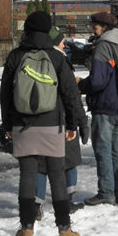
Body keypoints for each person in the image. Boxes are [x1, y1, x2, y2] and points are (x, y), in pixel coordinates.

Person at [1, 11, 83, 236]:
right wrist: (72, 125)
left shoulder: (16, 56)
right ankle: (65, 231)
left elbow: (6, 94)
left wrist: (8, 125)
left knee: (27, 175)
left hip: (23, 125)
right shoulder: (57, 57)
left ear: (27, 30)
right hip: (52, 125)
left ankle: (26, 230)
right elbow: (70, 94)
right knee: (57, 175)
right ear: (48, 30)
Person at [78, 12, 118, 206]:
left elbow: (98, 81)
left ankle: (106, 192)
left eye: (95, 26)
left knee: (103, 150)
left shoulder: (103, 47)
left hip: (103, 105)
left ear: (104, 27)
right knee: (116, 150)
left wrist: (80, 86)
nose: (93, 29)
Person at [34, 26, 89, 219]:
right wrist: (80, 122)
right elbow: (72, 96)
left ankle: (36, 206)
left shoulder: (27, 57)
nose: (64, 44)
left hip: (34, 119)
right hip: (61, 119)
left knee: (39, 165)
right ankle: (67, 201)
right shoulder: (60, 60)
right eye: (61, 40)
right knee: (69, 161)